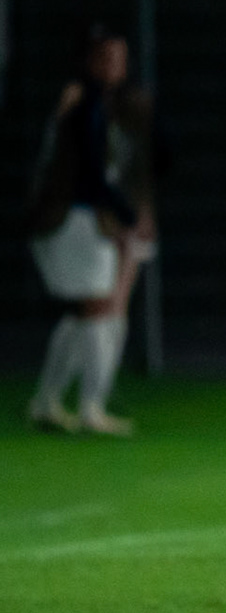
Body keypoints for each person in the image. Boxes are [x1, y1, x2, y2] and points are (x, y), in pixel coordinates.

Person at [24, 24, 157, 437]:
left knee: (85, 310)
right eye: (108, 57)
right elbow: (90, 174)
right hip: (74, 216)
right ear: (89, 61)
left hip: (76, 216)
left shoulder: (99, 103)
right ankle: (90, 408)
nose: (117, 65)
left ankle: (47, 403)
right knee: (100, 307)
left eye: (120, 57)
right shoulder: (84, 103)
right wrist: (128, 216)